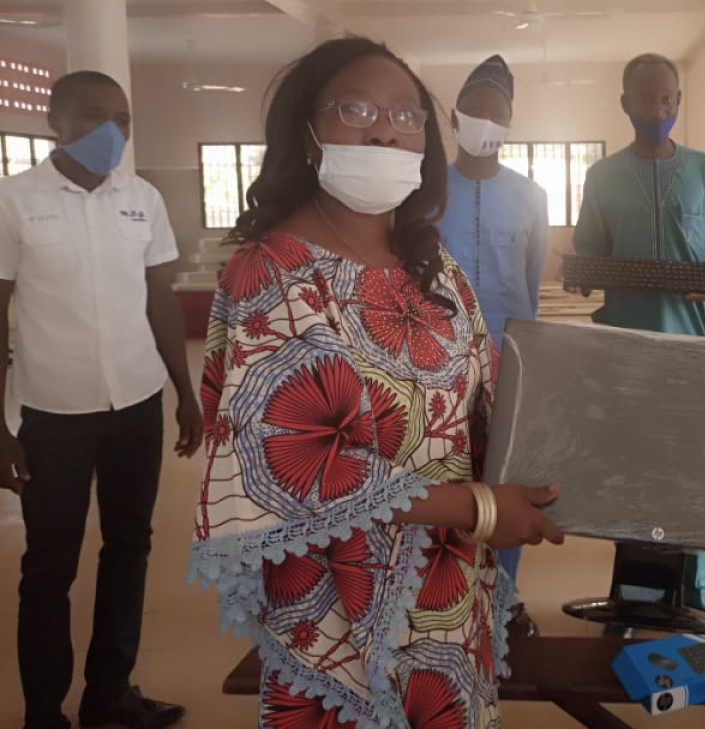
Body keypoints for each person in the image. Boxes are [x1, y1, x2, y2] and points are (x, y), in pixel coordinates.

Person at [189, 37, 564, 728]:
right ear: (306, 133)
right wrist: (480, 509)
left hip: (446, 591)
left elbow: (486, 390)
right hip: (340, 605)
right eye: (356, 110)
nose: (386, 130)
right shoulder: (274, 273)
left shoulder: (429, 264)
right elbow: (293, 464)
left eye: (406, 114)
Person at [0, 71, 201, 729]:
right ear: (54, 120)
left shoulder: (142, 198)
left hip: (136, 406)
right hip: (53, 416)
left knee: (130, 547)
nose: (111, 131)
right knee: (49, 565)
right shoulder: (13, 202)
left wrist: (184, 390)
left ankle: (109, 695)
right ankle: (43, 713)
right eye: (93, 115)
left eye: (122, 119)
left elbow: (159, 299)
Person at [572, 52, 705, 613]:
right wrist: (584, 272)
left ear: (679, 101)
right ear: (625, 104)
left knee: (695, 467)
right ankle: (637, 596)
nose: (658, 108)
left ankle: (697, 597)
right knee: (633, 468)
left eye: (668, 98)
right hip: (626, 346)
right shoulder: (602, 177)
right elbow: (588, 248)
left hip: (696, 346)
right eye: (647, 99)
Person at [439, 53, 548, 634]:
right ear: (454, 117)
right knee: (445, 474)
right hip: (436, 359)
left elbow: (530, 282)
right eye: (475, 108)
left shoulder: (531, 196)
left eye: (497, 112)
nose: (486, 120)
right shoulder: (426, 192)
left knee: (507, 476)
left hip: (510, 360)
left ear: (509, 124)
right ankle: (448, 592)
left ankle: (503, 597)